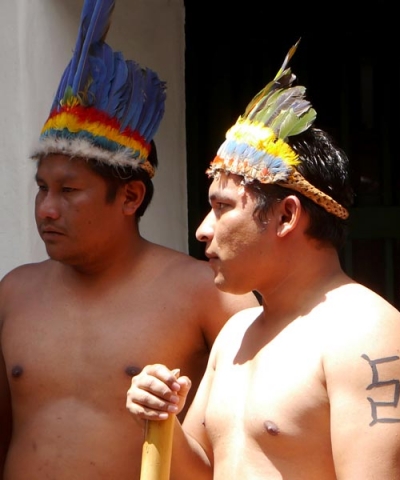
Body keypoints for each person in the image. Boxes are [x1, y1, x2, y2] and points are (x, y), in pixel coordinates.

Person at [126, 41, 400, 480]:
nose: (204, 229)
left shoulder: (366, 334)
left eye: (223, 207)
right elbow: (204, 472)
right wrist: (162, 419)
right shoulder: (235, 333)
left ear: (286, 215)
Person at [0, 1, 258, 478]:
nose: (46, 208)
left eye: (69, 191)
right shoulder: (13, 293)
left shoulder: (212, 296)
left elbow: (250, 452)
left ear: (130, 196)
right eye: (42, 188)